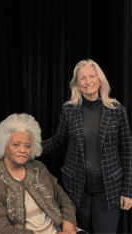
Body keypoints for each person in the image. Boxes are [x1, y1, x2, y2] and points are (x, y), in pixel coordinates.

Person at [41, 59, 132, 233]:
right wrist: (31, 149)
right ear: (77, 84)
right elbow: (58, 140)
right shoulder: (69, 110)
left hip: (108, 189)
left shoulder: (116, 110)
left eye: (92, 76)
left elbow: (127, 151)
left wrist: (128, 190)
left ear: (100, 80)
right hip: (77, 189)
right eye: (82, 78)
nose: (88, 81)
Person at [0, 113, 79, 234]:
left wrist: (68, 225)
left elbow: (63, 199)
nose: (23, 150)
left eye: (27, 146)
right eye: (16, 145)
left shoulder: (38, 168)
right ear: (4, 145)